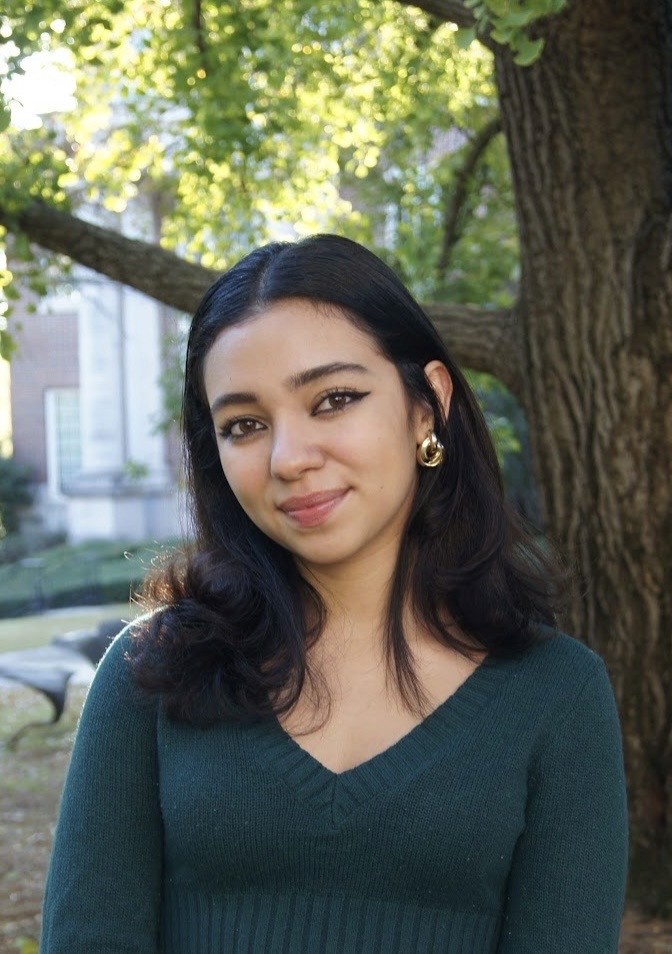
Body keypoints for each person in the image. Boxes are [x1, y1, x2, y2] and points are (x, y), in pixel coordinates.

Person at [41, 234, 629, 953]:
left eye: (334, 399)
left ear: (426, 406)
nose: (289, 458)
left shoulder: (556, 696)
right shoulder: (148, 677)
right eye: (245, 425)